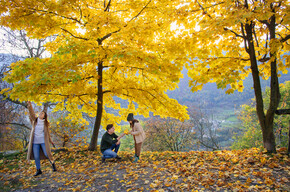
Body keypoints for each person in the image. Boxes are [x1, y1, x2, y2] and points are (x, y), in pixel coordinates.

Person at [26, 101, 57, 176]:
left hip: (43, 141)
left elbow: (48, 134)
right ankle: (38, 170)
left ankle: (53, 165)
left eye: (42, 113)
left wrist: (51, 141)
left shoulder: (46, 123)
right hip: (35, 142)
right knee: (36, 156)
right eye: (40, 113)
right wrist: (30, 105)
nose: (40, 113)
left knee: (47, 154)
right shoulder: (35, 121)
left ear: (44, 116)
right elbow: (31, 113)